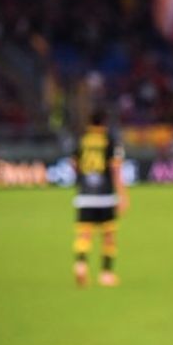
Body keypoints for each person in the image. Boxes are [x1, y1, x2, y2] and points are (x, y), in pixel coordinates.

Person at [72, 109, 128, 287]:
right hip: (105, 195)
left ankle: (81, 264)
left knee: (84, 234)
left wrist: (82, 178)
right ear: (104, 122)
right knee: (109, 235)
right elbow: (115, 169)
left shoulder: (82, 140)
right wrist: (122, 195)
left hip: (85, 195)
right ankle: (106, 274)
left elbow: (74, 163)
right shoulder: (109, 140)